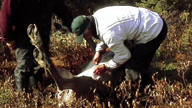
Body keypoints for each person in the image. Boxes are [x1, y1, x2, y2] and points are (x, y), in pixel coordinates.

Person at [71, 6, 167, 87]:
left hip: (154, 30)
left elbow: (124, 55)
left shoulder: (108, 32)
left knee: (132, 68)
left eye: (84, 35)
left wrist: (105, 66)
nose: (85, 38)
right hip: (149, 19)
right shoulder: (97, 16)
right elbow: (112, 33)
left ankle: (145, 91)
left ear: (90, 28)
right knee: (132, 59)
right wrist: (99, 51)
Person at [0, 0, 73, 92]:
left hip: (42, 36)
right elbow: (5, 14)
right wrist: (8, 38)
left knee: (40, 65)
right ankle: (21, 98)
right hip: (23, 36)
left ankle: (36, 95)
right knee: (24, 66)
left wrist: (70, 24)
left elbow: (61, 8)